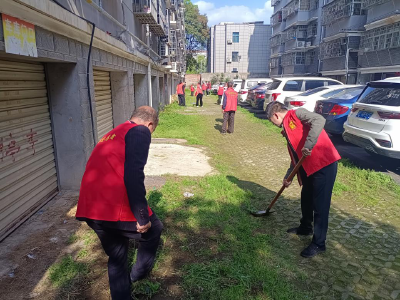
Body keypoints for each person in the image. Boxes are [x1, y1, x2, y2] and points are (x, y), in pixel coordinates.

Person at [76, 106, 163, 300]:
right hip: (111, 209)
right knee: (154, 229)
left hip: (90, 209)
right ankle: (138, 274)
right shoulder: (140, 131)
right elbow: (134, 175)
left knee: (117, 255)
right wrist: (141, 216)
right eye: (152, 130)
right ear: (150, 123)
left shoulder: (113, 133)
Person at [265, 102, 341, 258]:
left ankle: (319, 243)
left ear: (276, 115)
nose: (275, 125)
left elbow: (319, 120)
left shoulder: (297, 114)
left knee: (320, 206)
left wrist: (309, 144)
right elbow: (295, 157)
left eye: (273, 122)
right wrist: (288, 176)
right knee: (306, 199)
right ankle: (305, 227)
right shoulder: (286, 129)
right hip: (309, 167)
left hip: (324, 164)